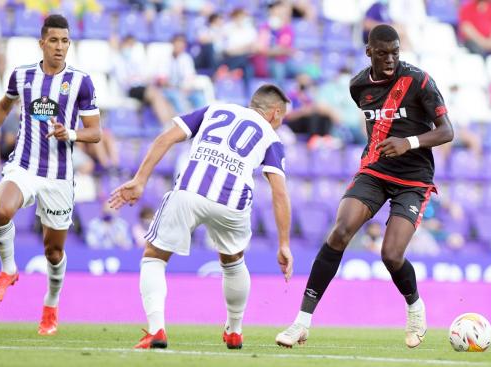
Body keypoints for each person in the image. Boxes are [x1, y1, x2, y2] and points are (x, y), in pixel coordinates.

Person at [276, 24, 453, 349]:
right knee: (340, 232)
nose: (389, 60)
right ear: (369, 52)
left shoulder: (419, 81)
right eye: (382, 53)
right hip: (374, 170)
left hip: (413, 178)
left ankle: (414, 305)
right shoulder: (358, 86)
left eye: (395, 53)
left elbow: (446, 131)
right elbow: (376, 124)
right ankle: (301, 323)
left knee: (391, 254)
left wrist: (409, 142)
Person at [108, 84, 294, 350]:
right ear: (275, 113)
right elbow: (279, 192)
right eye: (282, 118)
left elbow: (165, 138)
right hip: (233, 202)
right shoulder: (272, 138)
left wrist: (140, 180)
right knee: (233, 261)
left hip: (190, 192)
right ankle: (235, 331)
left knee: (154, 256)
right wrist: (284, 243)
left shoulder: (215, 109)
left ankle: (156, 330)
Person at [0, 15, 101, 335]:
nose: (59, 47)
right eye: (53, 40)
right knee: (1, 211)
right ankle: (7, 270)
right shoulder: (22, 76)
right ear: (42, 43)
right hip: (24, 166)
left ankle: (50, 306)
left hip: (58, 177)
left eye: (65, 41)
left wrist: (69, 134)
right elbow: (2, 107)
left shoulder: (81, 81)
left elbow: (95, 133)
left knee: (53, 252)